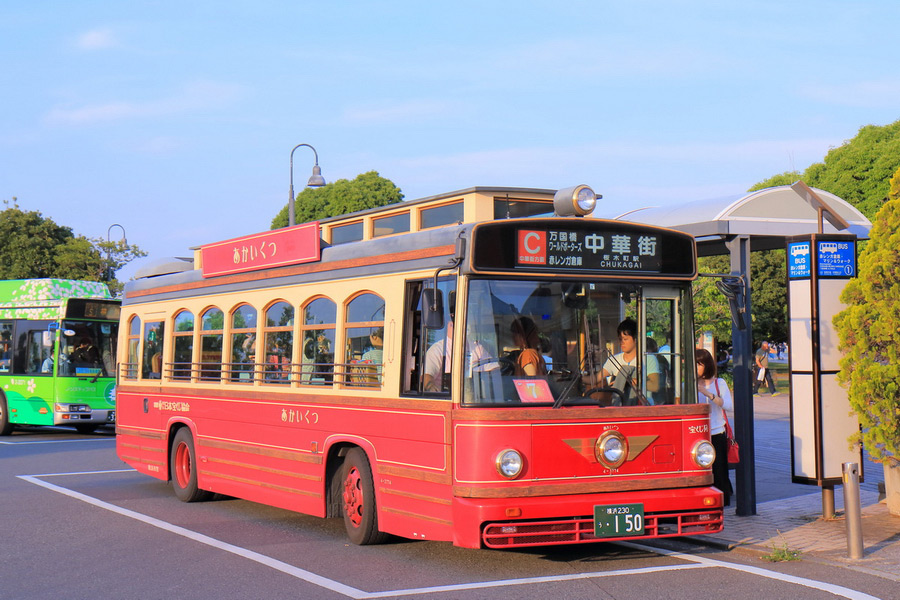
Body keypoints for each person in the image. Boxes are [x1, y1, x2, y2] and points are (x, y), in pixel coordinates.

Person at [696, 347, 734, 506]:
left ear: (707, 365)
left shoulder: (719, 383)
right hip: (697, 434)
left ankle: (722, 499)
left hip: (716, 432)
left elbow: (728, 406)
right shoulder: (687, 384)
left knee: (719, 469)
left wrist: (708, 393)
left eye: (700, 364)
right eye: (695, 364)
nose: (697, 368)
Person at [600, 319, 659, 405]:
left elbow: (654, 386)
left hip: (643, 407)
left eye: (625, 339)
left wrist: (627, 382)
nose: (622, 343)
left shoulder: (649, 359)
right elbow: (597, 377)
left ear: (636, 339)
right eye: (620, 339)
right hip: (619, 407)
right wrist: (581, 377)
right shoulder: (613, 360)